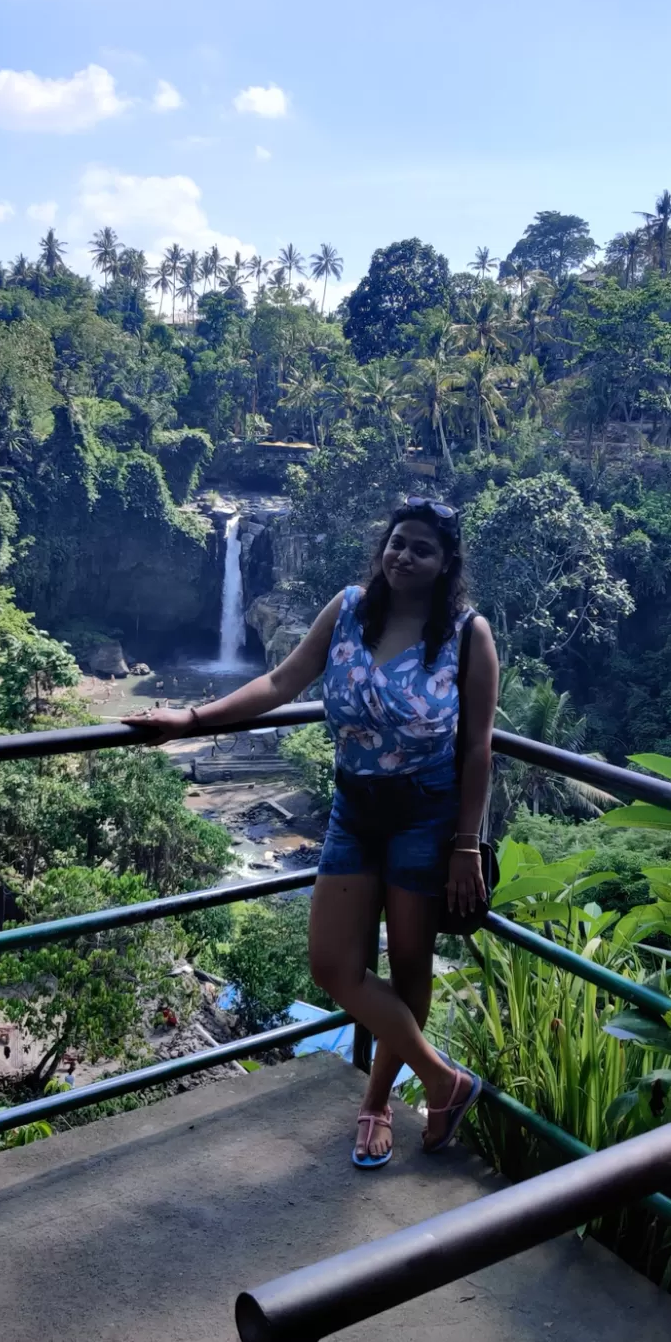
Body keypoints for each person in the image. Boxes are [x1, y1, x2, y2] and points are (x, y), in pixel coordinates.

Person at [127, 498, 499, 1169]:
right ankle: (447, 1080)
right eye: (397, 542)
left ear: (446, 564)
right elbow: (280, 680)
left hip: (426, 815)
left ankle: (379, 1103)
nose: (403, 556)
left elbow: (476, 750)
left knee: (409, 966)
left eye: (421, 548)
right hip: (354, 809)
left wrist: (466, 846)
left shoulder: (469, 636)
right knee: (333, 967)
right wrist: (192, 718)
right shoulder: (351, 607)